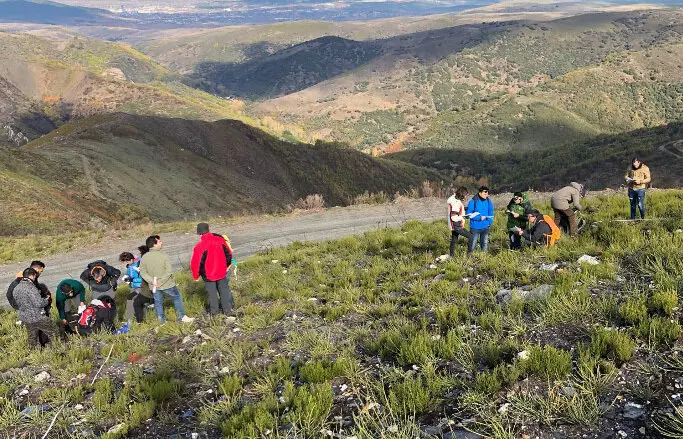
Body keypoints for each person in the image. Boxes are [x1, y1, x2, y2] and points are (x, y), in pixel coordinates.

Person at [139, 235, 194, 324]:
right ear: (154, 244)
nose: (161, 242)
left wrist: (152, 281)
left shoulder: (144, 258)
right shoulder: (164, 255)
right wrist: (160, 282)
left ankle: (161, 321)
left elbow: (142, 272)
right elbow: (169, 272)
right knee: (176, 297)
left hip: (154, 286)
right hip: (167, 284)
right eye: (159, 241)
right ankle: (182, 316)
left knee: (158, 302)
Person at [191, 223, 235, 315]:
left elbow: (196, 263)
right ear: (208, 229)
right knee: (224, 292)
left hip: (208, 275)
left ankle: (215, 312)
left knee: (212, 295)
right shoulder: (220, 240)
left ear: (199, 233)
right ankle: (227, 311)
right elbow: (229, 254)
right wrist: (226, 266)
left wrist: (196, 276)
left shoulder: (199, 246)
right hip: (222, 271)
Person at [14, 268, 58, 348]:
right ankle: (57, 349)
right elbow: (39, 303)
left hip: (25, 317)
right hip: (37, 316)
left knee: (32, 338)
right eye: (35, 276)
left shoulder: (16, 288)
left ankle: (34, 353)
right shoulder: (31, 288)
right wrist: (47, 300)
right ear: (33, 275)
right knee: (54, 331)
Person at [80, 260, 120, 324]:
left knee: (111, 304)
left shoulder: (108, 269)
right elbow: (82, 277)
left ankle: (113, 319)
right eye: (96, 279)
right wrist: (91, 283)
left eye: (99, 278)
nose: (98, 280)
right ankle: (100, 320)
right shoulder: (88, 272)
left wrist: (112, 282)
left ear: (102, 273)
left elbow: (118, 272)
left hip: (108, 288)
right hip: (96, 290)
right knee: (97, 305)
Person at [119, 248, 146, 323]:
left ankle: (134, 320)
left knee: (134, 301)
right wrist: (127, 278)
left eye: (126, 261)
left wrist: (132, 280)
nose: (125, 263)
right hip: (133, 286)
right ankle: (132, 319)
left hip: (141, 286)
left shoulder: (139, 264)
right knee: (133, 302)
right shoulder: (129, 266)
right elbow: (130, 275)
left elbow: (144, 278)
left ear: (130, 259)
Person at [466, 186, 495, 252]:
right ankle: (469, 259)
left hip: (486, 226)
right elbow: (468, 214)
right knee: (472, 245)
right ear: (480, 193)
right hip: (475, 227)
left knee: (484, 244)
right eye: (485, 194)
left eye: (487, 194)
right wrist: (479, 218)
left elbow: (491, 211)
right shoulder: (473, 201)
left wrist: (489, 222)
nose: (486, 195)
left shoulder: (488, 200)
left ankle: (484, 259)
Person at [447, 187, 474, 256]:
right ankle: (469, 254)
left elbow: (458, 211)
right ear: (462, 194)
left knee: (454, 240)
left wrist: (464, 209)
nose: (466, 197)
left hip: (454, 224)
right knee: (471, 237)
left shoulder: (454, 199)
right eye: (465, 195)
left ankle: (451, 256)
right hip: (457, 225)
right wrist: (463, 216)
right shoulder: (455, 203)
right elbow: (453, 217)